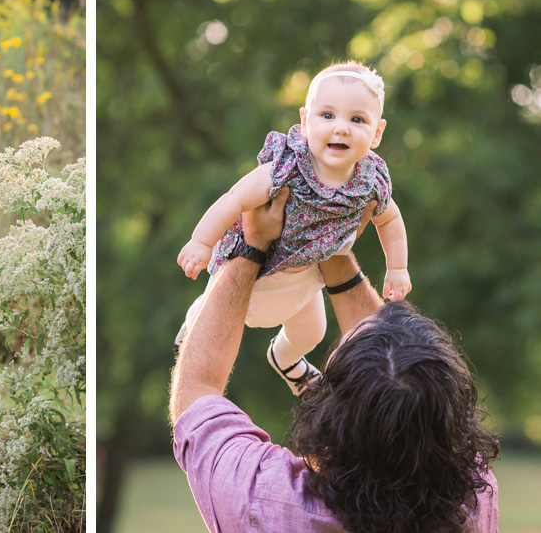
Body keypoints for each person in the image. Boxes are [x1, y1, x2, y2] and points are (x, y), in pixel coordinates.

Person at [172, 191, 500, 533]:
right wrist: (331, 241)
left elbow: (198, 392)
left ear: (331, 426)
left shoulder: (265, 504)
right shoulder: (472, 503)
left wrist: (252, 245)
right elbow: (390, 369)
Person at [177, 62, 409, 395]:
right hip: (259, 272)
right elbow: (235, 199)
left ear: (377, 133)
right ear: (305, 121)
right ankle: (193, 325)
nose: (341, 128)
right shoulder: (287, 167)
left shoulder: (371, 180)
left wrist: (397, 268)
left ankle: (285, 359)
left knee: (312, 333)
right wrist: (201, 241)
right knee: (217, 314)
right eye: (327, 115)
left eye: (357, 119)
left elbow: (390, 220)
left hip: (305, 279)